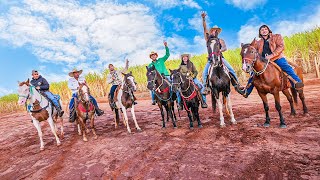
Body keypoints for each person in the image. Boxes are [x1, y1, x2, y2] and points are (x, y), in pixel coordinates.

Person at [239, 25, 304, 97]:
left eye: (265, 29)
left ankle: (298, 82)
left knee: (285, 66)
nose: (264, 30)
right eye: (262, 30)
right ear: (260, 32)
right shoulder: (258, 42)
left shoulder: (276, 36)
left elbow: (281, 46)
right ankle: (246, 91)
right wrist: (245, 47)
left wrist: (272, 55)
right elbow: (252, 49)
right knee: (254, 73)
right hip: (264, 61)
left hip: (276, 58)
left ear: (268, 30)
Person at [201, 12, 243, 95]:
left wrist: (219, 51)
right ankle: (205, 87)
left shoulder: (220, 40)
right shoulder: (208, 39)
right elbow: (204, 28)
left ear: (217, 32)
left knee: (231, 69)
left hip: (220, 58)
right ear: (211, 31)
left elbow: (224, 47)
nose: (214, 32)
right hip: (210, 59)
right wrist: (203, 19)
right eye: (213, 30)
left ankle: (237, 84)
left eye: (216, 31)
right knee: (204, 73)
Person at [148, 41, 183, 110]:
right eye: (152, 55)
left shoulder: (161, 60)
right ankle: (154, 100)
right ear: (151, 57)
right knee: (152, 88)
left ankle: (178, 101)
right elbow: (150, 73)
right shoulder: (150, 65)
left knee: (174, 85)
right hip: (157, 79)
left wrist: (166, 46)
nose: (153, 56)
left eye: (154, 55)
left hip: (166, 75)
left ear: (156, 56)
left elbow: (167, 55)